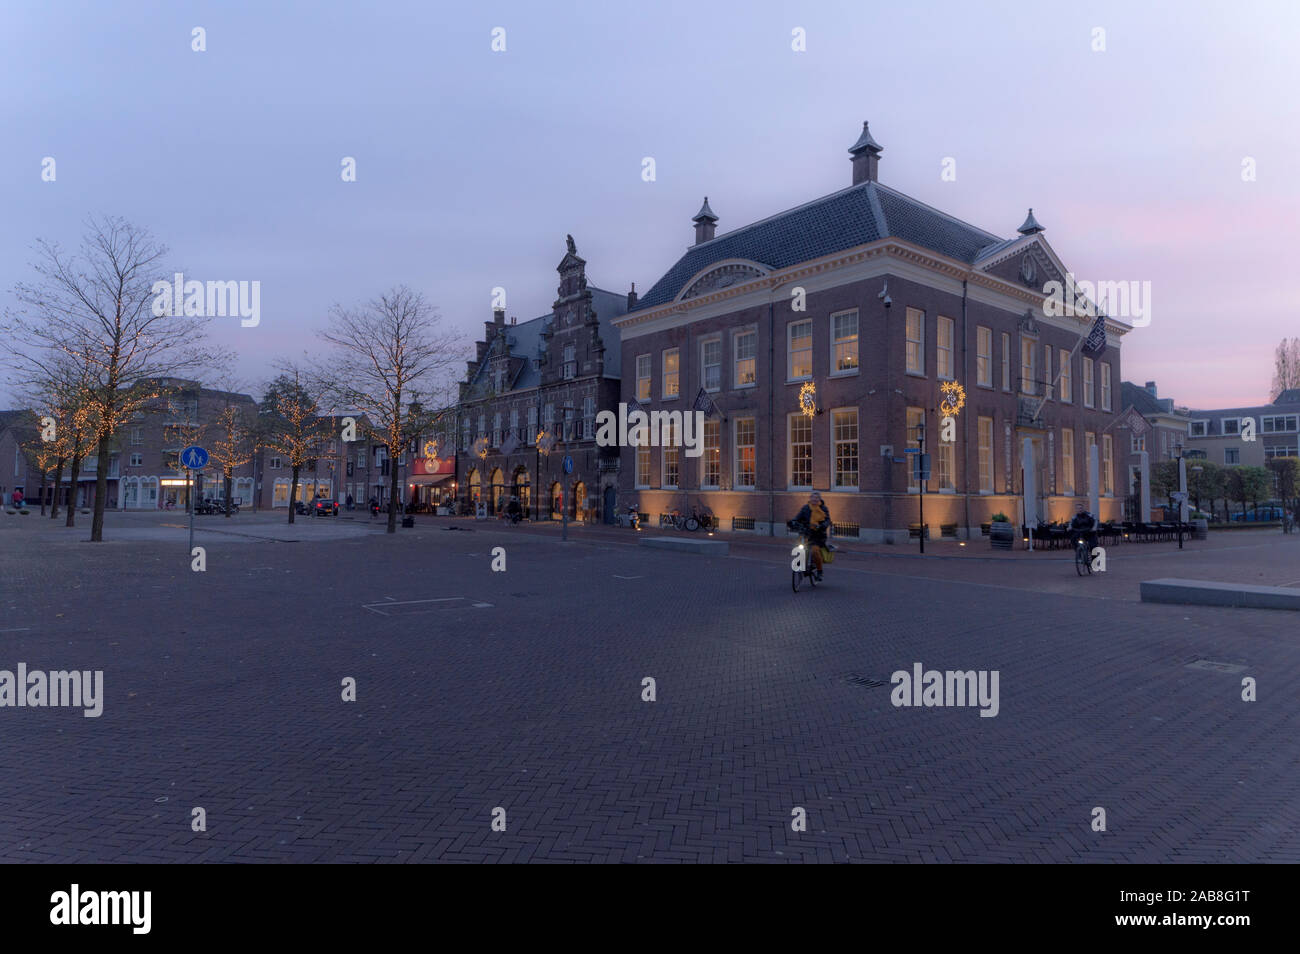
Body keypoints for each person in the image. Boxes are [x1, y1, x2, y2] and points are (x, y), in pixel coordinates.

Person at [792, 491, 832, 580]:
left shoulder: (823, 509)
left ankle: (819, 571)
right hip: (807, 534)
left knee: (815, 551)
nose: (814, 499)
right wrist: (793, 521)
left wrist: (822, 525)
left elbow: (827, 520)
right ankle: (802, 565)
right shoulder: (805, 508)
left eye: (816, 498)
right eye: (813, 497)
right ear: (810, 498)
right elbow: (798, 517)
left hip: (818, 535)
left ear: (819, 499)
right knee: (800, 548)